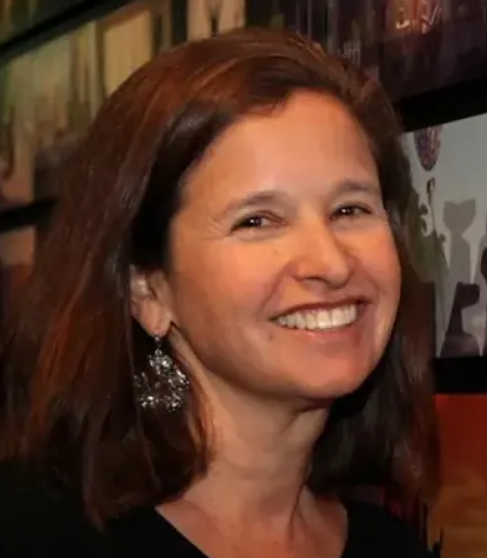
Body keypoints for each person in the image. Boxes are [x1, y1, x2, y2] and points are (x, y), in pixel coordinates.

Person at [0, 27, 438, 557]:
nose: (331, 263)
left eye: (350, 209)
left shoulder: (392, 546)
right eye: (258, 221)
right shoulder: (35, 533)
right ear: (147, 289)